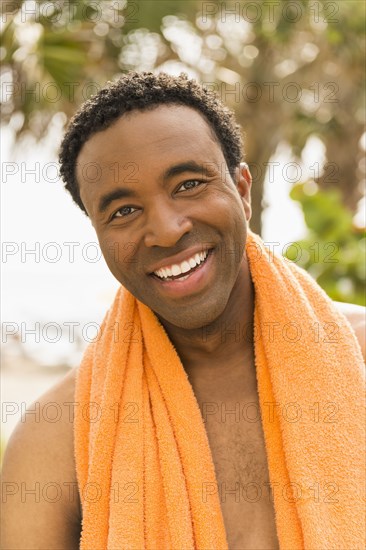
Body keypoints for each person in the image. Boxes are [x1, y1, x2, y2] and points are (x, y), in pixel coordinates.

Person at [1, 72, 365, 550]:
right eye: (123, 211)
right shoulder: (56, 437)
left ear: (243, 190)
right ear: (98, 235)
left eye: (189, 183)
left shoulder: (359, 356)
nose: (167, 230)